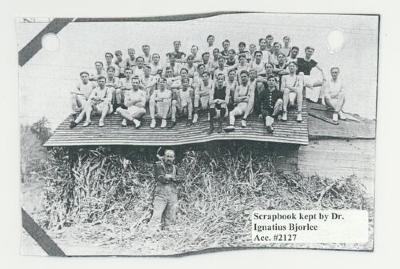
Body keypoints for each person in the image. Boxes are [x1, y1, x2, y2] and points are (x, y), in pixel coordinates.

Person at [148, 149, 183, 231]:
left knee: (171, 213)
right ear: (164, 156)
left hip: (172, 193)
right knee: (157, 212)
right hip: (161, 194)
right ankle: (152, 230)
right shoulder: (158, 165)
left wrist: (171, 177)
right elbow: (161, 178)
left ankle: (168, 229)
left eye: (171, 157)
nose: (169, 158)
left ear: (174, 158)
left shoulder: (175, 168)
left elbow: (181, 178)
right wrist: (172, 178)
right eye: (167, 156)